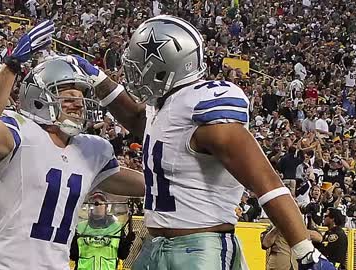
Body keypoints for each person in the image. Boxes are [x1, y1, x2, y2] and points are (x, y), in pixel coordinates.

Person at [71, 15, 335, 270]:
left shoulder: (206, 109)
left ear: (167, 66)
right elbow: (139, 118)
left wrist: (305, 252)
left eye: (141, 65)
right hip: (155, 247)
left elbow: (267, 184)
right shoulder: (163, 108)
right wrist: (98, 80)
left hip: (200, 249)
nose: (134, 72)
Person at [0, 20, 145, 270]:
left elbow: (148, 184)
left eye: (81, 98)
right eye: (67, 97)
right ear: (40, 99)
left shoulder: (91, 150)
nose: (78, 104)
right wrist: (12, 65)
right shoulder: (21, 132)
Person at [70, 191, 135, 270]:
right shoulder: (80, 227)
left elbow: (122, 255)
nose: (97, 206)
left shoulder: (116, 228)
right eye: (94, 204)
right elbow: (73, 255)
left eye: (100, 204)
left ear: (106, 207)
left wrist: (127, 242)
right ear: (89, 207)